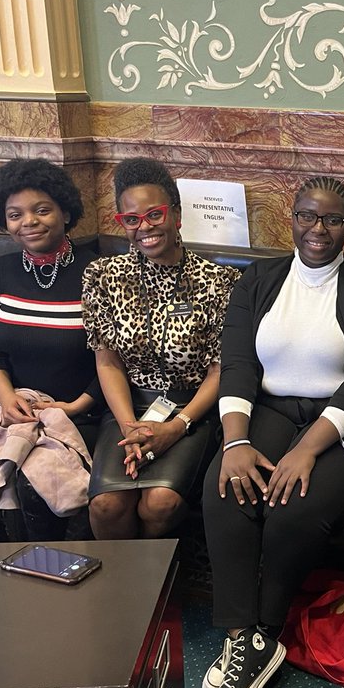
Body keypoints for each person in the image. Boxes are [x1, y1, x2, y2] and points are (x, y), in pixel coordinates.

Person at [200, 175, 344, 688]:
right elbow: (239, 365)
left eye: (333, 219)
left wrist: (306, 452)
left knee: (296, 503)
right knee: (225, 487)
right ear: (290, 218)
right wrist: (236, 442)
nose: (319, 229)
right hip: (267, 409)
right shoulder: (257, 280)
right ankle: (246, 637)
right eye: (307, 216)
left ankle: (262, 631)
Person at [81, 157, 239, 539]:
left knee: (159, 503)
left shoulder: (219, 280)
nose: (144, 227)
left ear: (177, 215)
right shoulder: (102, 276)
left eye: (155, 214)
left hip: (191, 411)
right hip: (127, 407)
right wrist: (129, 428)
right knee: (106, 505)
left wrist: (174, 427)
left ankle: (161, 591)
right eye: (131, 220)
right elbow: (107, 360)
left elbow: (222, 369)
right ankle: (124, 595)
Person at [0, 158, 100, 540]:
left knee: (34, 480)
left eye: (42, 210)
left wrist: (76, 406)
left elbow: (116, 359)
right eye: (15, 214)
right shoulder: (3, 270)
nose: (28, 221)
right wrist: (7, 396)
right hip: (14, 409)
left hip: (83, 413)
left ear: (65, 212)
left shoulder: (98, 272)